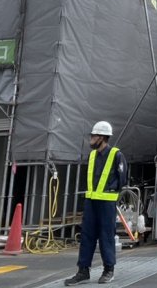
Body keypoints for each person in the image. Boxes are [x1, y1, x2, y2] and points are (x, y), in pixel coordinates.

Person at [65, 121, 127, 286]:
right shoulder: (92, 156)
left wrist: (111, 194)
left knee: (106, 236)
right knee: (87, 236)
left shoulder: (116, 154)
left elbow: (122, 180)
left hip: (106, 203)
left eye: (93, 136)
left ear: (102, 137)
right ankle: (83, 271)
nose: (91, 139)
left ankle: (108, 270)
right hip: (91, 202)